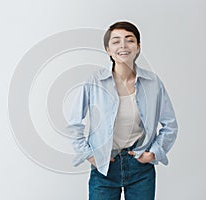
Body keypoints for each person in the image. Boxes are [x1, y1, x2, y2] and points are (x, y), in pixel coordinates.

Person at [66, 21, 178, 200]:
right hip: (104, 168)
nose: (123, 46)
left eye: (129, 40)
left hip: (140, 167)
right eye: (116, 41)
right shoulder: (94, 82)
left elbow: (170, 124)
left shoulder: (152, 82)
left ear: (138, 47)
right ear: (108, 50)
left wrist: (154, 152)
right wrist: (88, 154)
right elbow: (73, 123)